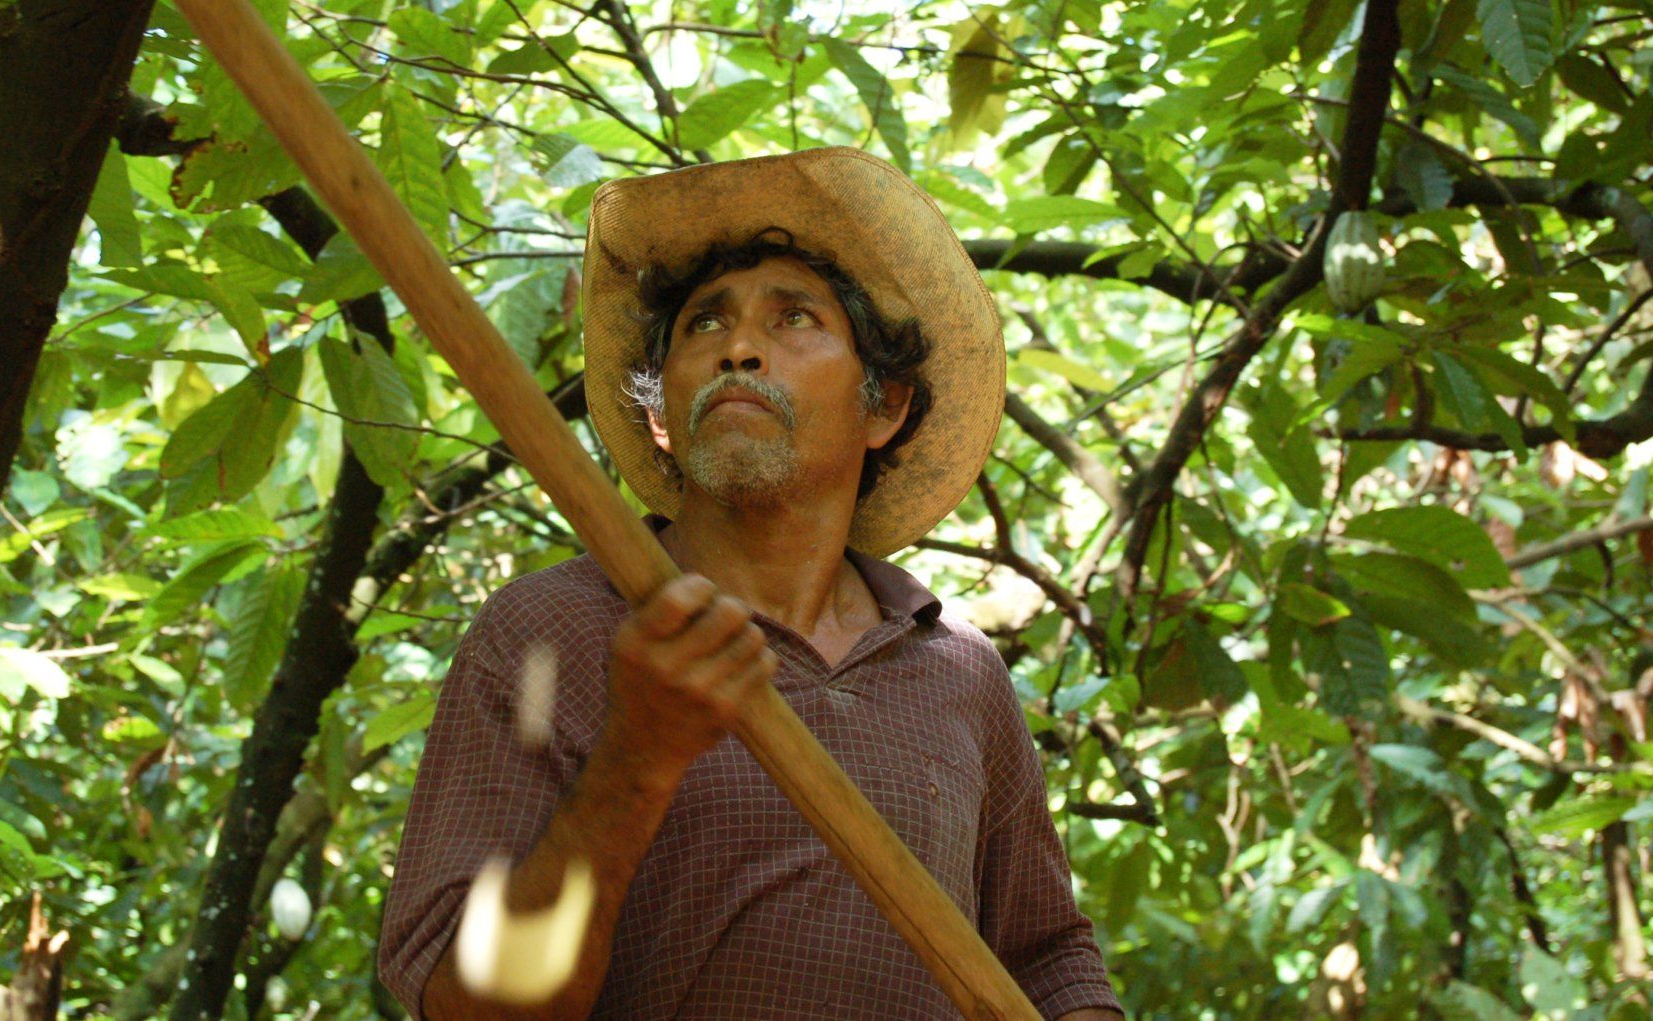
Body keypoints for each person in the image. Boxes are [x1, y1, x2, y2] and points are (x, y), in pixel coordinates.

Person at [377, 148, 1124, 1020]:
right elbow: (472, 1006)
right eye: (703, 326)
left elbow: (1046, 957)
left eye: (794, 318)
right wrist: (638, 758)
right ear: (660, 418)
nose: (737, 349)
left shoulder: (959, 671)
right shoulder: (550, 631)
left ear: (883, 407)